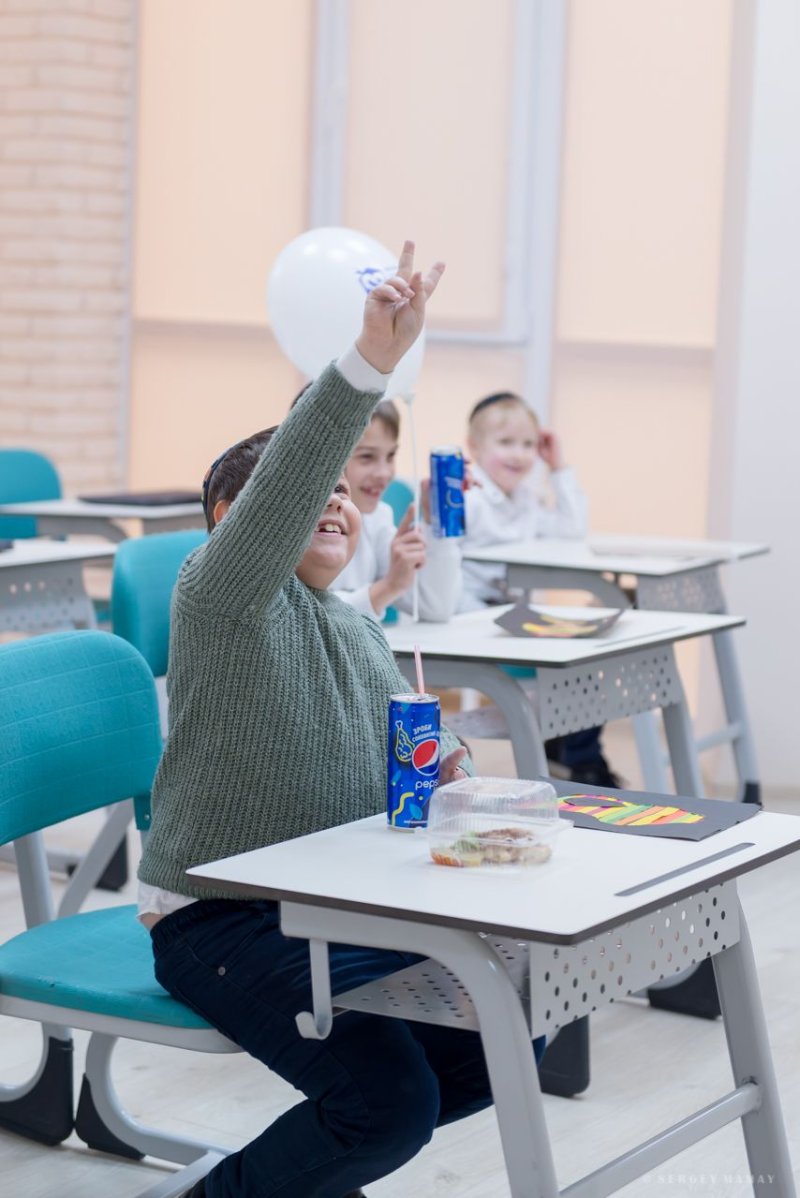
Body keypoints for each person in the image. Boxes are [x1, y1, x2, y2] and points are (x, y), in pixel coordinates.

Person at [137, 244, 533, 1198]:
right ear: (234, 519)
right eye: (297, 492)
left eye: (347, 496)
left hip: (329, 901)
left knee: (508, 1030)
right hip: (221, 919)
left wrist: (449, 778)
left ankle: (312, 1168)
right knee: (388, 1105)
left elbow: (386, 770)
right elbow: (289, 484)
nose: (335, 502)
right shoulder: (220, 595)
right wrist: (368, 364)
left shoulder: (355, 626)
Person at [460, 389, 619, 788]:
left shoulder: (525, 500)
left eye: (529, 444)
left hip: (507, 615)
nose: (519, 454)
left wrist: (559, 466)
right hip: (467, 614)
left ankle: (572, 755)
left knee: (583, 652)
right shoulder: (469, 498)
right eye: (506, 442)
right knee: (563, 652)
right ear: (474, 448)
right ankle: (577, 760)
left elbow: (571, 531)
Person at [332, 398, 461, 621]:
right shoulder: (291, 529)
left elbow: (435, 608)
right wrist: (389, 586)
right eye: (366, 457)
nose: (384, 473)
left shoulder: (376, 517)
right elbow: (309, 619)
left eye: (391, 456)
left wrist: (435, 522)